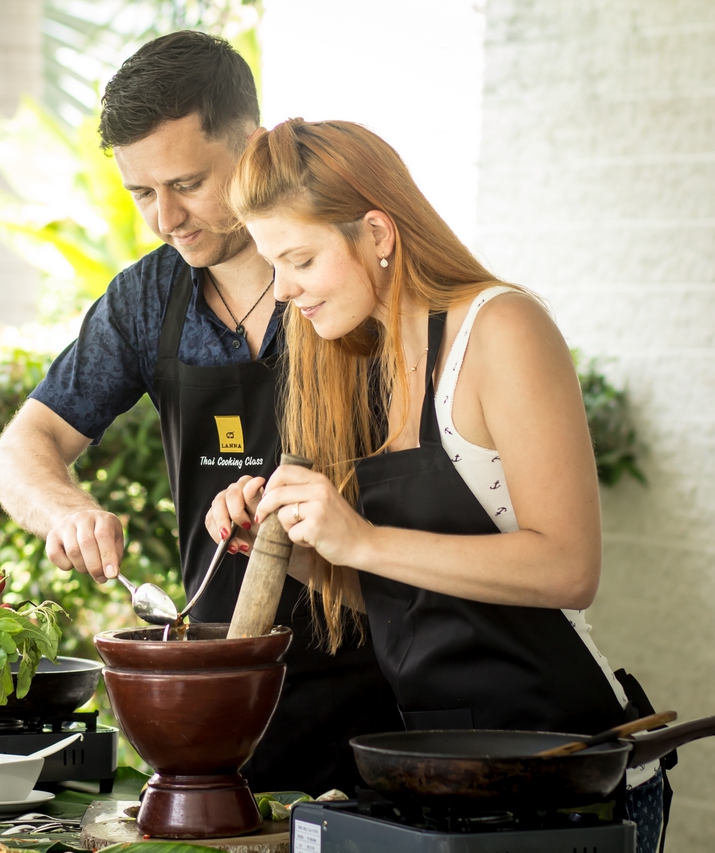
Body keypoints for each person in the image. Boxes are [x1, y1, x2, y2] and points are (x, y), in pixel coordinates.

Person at [207, 118, 670, 849]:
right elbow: (416, 599)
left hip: (572, 781)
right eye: (273, 266)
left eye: (298, 259)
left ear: (378, 232)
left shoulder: (501, 328)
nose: (284, 291)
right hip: (447, 783)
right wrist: (310, 555)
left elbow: (569, 568)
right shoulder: (363, 360)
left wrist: (361, 536)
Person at [0, 32, 400, 796]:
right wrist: (65, 511)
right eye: (142, 192)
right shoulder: (146, 299)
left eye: (186, 182)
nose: (164, 218)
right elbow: (22, 447)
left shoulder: (345, 283)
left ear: (254, 145)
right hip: (222, 710)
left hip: (385, 705)